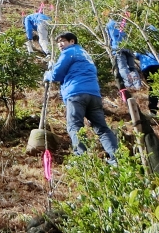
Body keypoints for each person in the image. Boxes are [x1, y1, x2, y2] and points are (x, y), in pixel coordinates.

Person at [44, 32, 119, 163]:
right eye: (58, 43)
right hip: (94, 94)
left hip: (76, 93)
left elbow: (56, 75)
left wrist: (48, 74)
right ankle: (116, 159)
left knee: (75, 126)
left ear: (72, 41)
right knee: (102, 128)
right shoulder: (85, 54)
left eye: (62, 41)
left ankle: (82, 161)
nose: (60, 45)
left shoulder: (69, 52)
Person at [106, 18, 141, 89]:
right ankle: (138, 85)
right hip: (128, 47)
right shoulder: (123, 24)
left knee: (123, 68)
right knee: (132, 68)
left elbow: (108, 39)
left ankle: (130, 85)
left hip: (118, 48)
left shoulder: (109, 25)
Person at [136, 50, 159, 114]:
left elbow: (136, 55)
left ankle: (153, 109)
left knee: (153, 87)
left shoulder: (142, 41)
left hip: (146, 65)